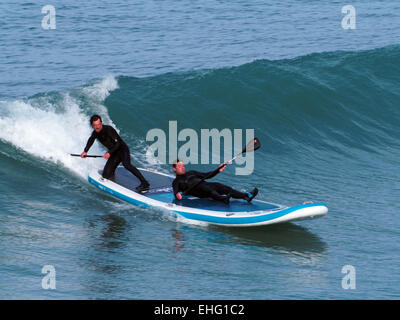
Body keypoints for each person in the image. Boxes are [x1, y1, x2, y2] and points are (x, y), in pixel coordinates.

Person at [81, 114, 150, 192]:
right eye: (95, 125)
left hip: (122, 149)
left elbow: (118, 143)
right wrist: (85, 151)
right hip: (114, 153)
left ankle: (145, 183)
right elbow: (91, 140)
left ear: (101, 123)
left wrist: (109, 153)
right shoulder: (95, 133)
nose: (98, 127)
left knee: (126, 165)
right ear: (92, 125)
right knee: (105, 175)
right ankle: (112, 171)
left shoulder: (108, 129)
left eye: (99, 124)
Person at [172, 159, 258, 204]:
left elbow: (207, 175)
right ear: (174, 169)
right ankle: (223, 199)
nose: (182, 167)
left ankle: (246, 196)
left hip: (207, 185)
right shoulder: (176, 181)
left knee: (221, 186)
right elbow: (176, 193)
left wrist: (218, 170)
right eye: (179, 166)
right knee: (208, 189)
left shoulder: (191, 172)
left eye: (183, 166)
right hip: (199, 191)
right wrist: (178, 195)